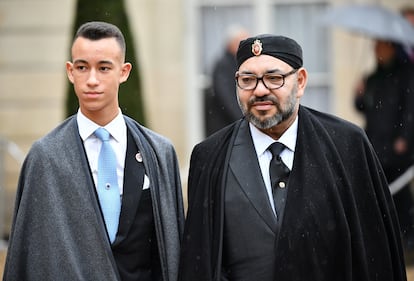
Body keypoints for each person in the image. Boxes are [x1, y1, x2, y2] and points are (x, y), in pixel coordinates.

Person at [179, 34, 407, 281]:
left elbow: (375, 255)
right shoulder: (211, 157)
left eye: (274, 78)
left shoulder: (347, 146)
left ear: (300, 82)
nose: (260, 90)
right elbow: (199, 261)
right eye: (247, 80)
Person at [3, 21, 184, 281]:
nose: (91, 80)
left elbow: (172, 250)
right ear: (70, 71)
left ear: (124, 72)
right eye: (82, 67)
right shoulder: (45, 157)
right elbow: (29, 257)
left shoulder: (160, 153)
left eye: (104, 68)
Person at [355, 39, 414, 251]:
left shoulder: (406, 74)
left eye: (379, 45)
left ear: (390, 47)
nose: (375, 48)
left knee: (401, 194)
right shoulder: (373, 76)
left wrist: (405, 138)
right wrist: (359, 92)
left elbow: (410, 109)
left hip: (397, 146)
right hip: (376, 144)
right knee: (379, 192)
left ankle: (408, 239)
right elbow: (362, 107)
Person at [204, 26, 249, 136]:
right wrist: (243, 120)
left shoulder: (236, 63)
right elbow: (227, 98)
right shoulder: (224, 65)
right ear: (231, 44)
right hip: (224, 126)